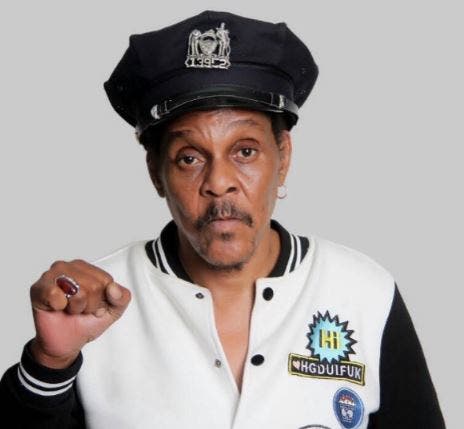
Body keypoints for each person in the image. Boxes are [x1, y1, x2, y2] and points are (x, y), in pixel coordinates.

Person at [0, 10, 445, 429]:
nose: (219, 183)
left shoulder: (363, 292)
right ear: (156, 172)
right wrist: (50, 363)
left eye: (245, 151)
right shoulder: (94, 307)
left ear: (283, 158)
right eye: (189, 157)